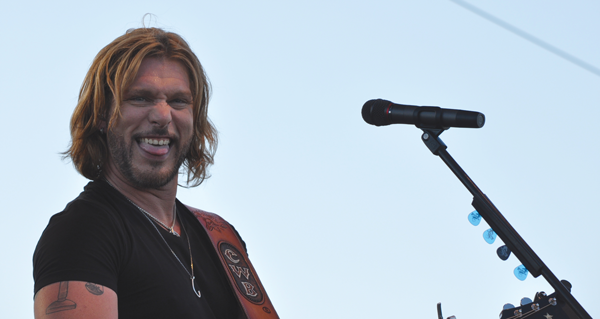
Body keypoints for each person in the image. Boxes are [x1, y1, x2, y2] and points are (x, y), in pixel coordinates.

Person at [33, 28, 277, 319]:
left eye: (178, 101)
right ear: (101, 115)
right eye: (140, 98)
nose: (162, 116)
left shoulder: (221, 237)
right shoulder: (82, 232)